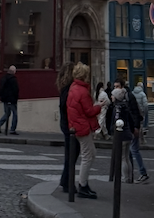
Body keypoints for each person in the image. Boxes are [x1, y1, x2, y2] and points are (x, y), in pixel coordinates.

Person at [66, 63, 101, 199]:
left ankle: (83, 184)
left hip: (76, 125)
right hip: (82, 127)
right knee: (88, 156)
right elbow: (89, 111)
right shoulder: (82, 91)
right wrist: (100, 106)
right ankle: (83, 185)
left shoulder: (73, 88)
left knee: (91, 154)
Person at [106, 86, 137, 184]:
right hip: (128, 134)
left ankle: (125, 178)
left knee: (123, 158)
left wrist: (112, 131)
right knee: (126, 157)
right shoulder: (125, 106)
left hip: (121, 135)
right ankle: (129, 177)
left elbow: (114, 121)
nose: (111, 97)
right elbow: (131, 120)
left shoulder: (117, 108)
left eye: (112, 95)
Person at [56, 62, 75, 193]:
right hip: (69, 125)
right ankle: (67, 182)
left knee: (70, 154)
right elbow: (65, 107)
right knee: (71, 154)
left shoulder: (64, 87)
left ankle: (65, 180)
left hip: (65, 124)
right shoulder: (69, 89)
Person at [0, 65, 19, 135]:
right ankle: (12, 129)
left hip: (5, 99)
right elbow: (15, 90)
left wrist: (2, 97)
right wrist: (16, 98)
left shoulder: (3, 78)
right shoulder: (13, 79)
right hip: (12, 99)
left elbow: (1, 88)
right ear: (14, 71)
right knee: (15, 114)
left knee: (7, 113)